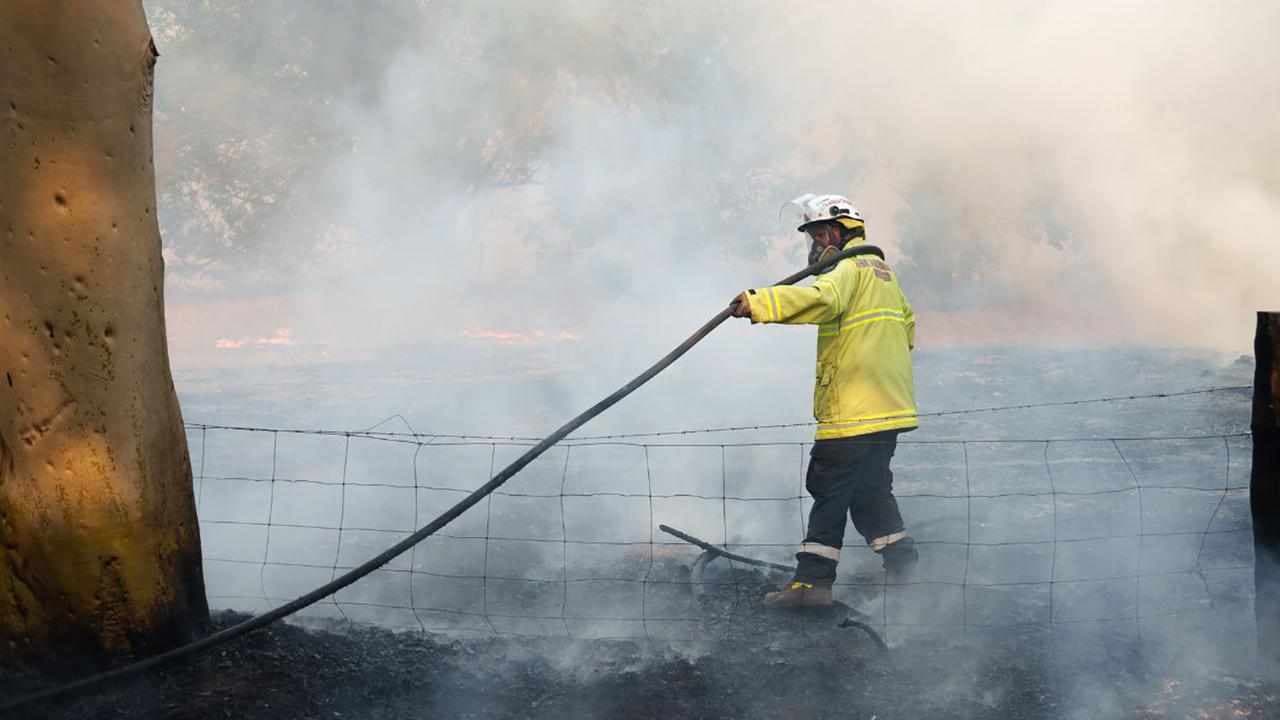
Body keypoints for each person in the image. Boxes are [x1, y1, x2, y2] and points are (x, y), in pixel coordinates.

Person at [731, 194, 919, 608]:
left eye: (817, 235)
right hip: (887, 412)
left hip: (852, 412)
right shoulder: (885, 274)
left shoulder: (848, 270)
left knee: (828, 486)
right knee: (870, 492)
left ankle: (811, 585)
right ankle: (905, 567)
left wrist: (758, 302)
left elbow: (822, 299)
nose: (814, 246)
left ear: (837, 232)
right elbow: (907, 328)